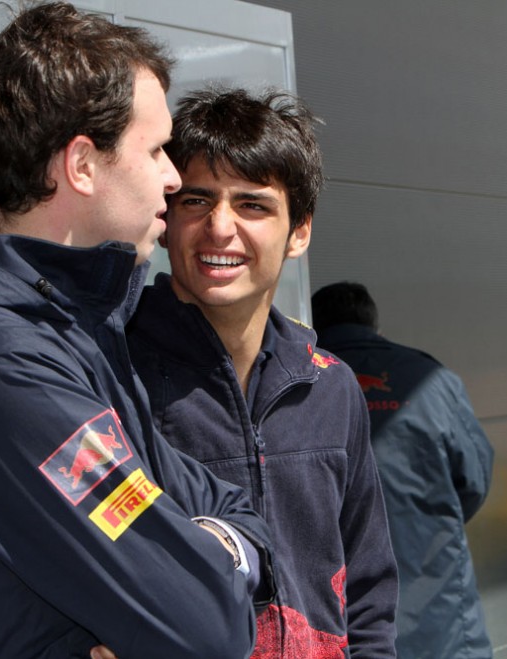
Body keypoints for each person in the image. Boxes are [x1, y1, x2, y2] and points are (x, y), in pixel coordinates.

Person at [0, 4, 275, 657]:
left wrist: (218, 546)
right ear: (80, 164)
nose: (173, 178)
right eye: (156, 149)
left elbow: (236, 512)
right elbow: (208, 624)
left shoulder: (70, 332)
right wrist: (207, 565)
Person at [125, 88, 398, 658]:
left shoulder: (330, 385)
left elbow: (369, 589)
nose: (220, 228)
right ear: (166, 217)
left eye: (253, 205)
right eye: (196, 201)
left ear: (299, 231)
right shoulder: (111, 372)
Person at [312, 281, 495, 659]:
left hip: (342, 613)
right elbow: (474, 480)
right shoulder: (432, 378)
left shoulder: (298, 382)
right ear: (376, 328)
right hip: (438, 604)